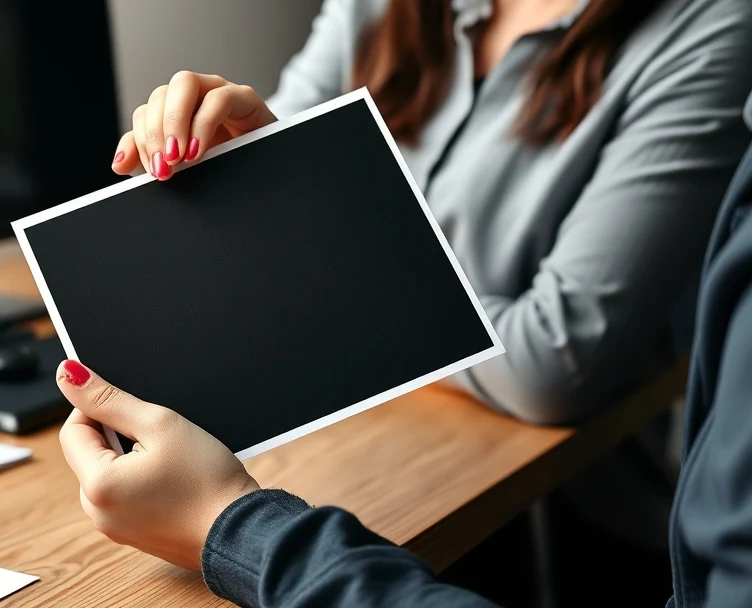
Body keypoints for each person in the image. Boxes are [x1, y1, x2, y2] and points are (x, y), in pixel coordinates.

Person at [54, 89, 752, 604]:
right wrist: (288, 180)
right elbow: (275, 180)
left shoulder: (701, 32)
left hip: (590, 507)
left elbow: (551, 359)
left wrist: (227, 525)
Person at [112, 0, 752, 426]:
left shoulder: (706, 28)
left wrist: (303, 251)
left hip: (557, 515)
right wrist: (243, 171)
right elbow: (260, 243)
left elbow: (551, 364)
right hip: (348, 437)